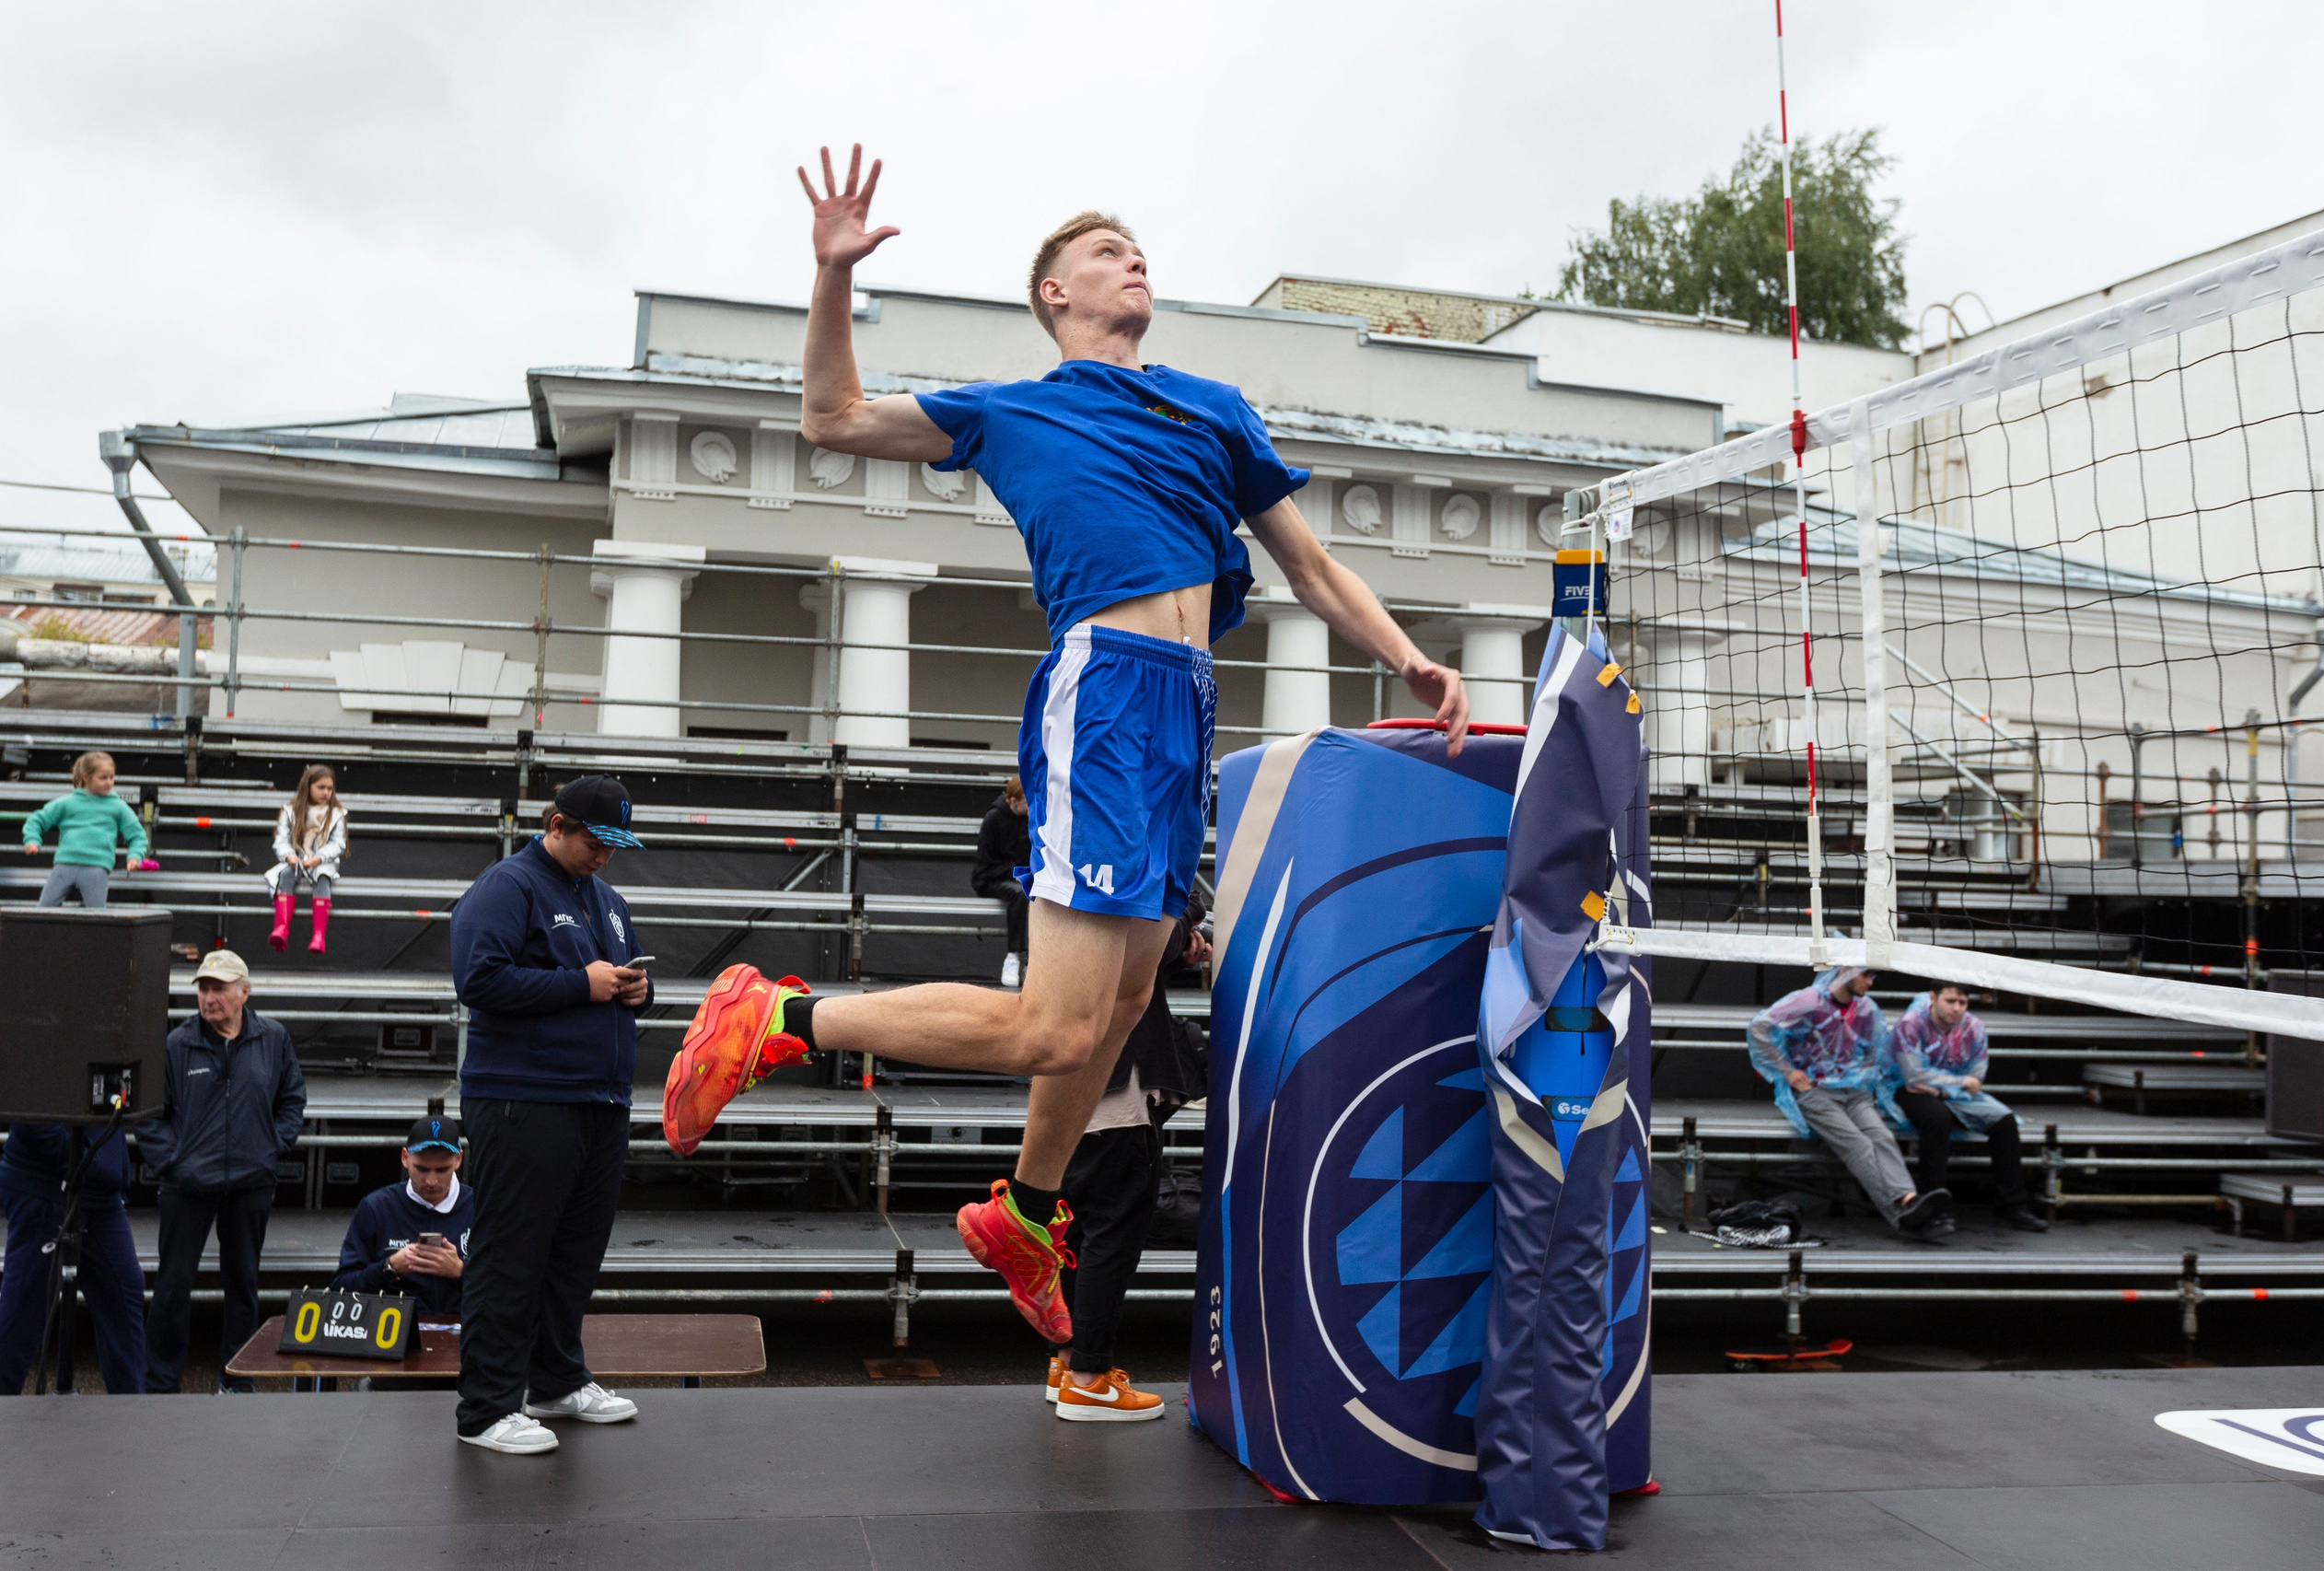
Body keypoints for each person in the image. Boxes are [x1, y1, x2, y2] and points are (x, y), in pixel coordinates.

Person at [666, 145, 1470, 1347]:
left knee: (1129, 1000)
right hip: (1106, 693)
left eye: (1137, 248)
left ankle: (1031, 1212)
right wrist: (831, 277)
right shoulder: (1018, 412)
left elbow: (1309, 568)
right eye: (1104, 251)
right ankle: (780, 1013)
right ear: (1056, 295)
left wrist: (1404, 655)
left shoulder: (1214, 409)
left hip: (1188, 710)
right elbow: (829, 417)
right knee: (1056, 1027)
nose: (1131, 258)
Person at [447, 775, 651, 1455]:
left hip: (598, 1098)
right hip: (524, 1096)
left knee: (573, 1253)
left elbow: (614, 982)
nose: (604, 857)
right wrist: (582, 984)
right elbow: (478, 980)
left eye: (615, 846)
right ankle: (485, 1408)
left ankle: (555, 1377)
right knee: (511, 1253)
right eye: (596, 843)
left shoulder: (608, 899)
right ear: (557, 824)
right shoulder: (508, 886)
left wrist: (636, 990)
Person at [1046, 899, 1209, 1423]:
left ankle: (1071, 1364)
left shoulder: (1060, 882)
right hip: (1113, 1085)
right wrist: (1188, 917)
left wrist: (1180, 943)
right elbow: (1145, 938)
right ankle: (1089, 1380)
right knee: (1110, 1236)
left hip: (1070, 1085)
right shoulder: (1120, 878)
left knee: (1078, 1233)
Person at [142, 948, 307, 1392]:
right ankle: (160, 1385)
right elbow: (148, 1115)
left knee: (243, 1287)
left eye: (219, 989)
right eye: (204, 989)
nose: (209, 998)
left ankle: (236, 1381)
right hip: (188, 1185)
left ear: (244, 992)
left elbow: (292, 1098)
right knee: (173, 1287)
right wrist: (173, 1162)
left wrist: (272, 1148)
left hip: (250, 1183)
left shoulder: (272, 1038)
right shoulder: (177, 1043)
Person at [1748, 966, 1952, 1239]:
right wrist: (1787, 1070)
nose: (1870, 982)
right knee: (1859, 1145)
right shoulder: (1809, 1001)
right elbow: (1760, 1027)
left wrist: (1860, 1073)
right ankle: (1904, 1212)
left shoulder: (1866, 1009)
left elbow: (1876, 1046)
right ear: (1845, 971)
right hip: (1816, 1090)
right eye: (1866, 975)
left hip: (1854, 1091)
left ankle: (1910, 1201)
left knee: (1882, 1137)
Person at [1883, 983, 2049, 1233]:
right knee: (1938, 1118)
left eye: (1962, 1003)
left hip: (1950, 1091)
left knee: (2004, 1121)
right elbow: (1914, 1076)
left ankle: (2012, 1204)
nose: (1957, 1008)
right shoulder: (1911, 1023)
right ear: (1932, 998)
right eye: (1950, 1001)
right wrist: (1956, 1083)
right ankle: (1931, 1205)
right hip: (1904, 1087)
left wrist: (1943, 1088)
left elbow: (1976, 1076)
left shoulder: (1974, 1027)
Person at [0, 1120, 144, 1394]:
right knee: (23, 1312)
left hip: (102, 1196)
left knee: (124, 1294)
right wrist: (80, 1159)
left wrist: (102, 1167)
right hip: (44, 1191)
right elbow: (30, 1117)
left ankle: (131, 1415)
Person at [331, 1111, 474, 1320]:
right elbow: (341, 1287)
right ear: (405, 1158)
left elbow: (507, 1289)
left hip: (465, 1336)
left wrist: (461, 1272)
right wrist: (389, 1268)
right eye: (422, 1169)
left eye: (442, 1170)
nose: (431, 1181)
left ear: (458, 1159)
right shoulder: (376, 1208)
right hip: (394, 1335)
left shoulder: (481, 1208)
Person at [20, 751, 151, 907]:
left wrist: (135, 856)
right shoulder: (68, 802)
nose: (109, 782)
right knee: (44, 911)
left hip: (96, 868)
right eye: (103, 778)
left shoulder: (118, 807)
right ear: (86, 777)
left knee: (96, 918)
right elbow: (36, 820)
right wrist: (32, 840)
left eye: (112, 777)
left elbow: (137, 835)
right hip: (64, 865)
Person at [266, 764, 347, 954]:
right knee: (285, 876)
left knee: (323, 880)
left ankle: (319, 936)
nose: (326, 792)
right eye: (321, 787)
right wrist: (289, 856)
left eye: (329, 788)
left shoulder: (337, 814)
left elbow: (338, 844)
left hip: (322, 862)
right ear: (308, 786)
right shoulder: (290, 810)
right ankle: (281, 929)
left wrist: (318, 858)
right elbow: (281, 839)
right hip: (297, 858)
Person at [973, 775, 1031, 989]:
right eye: (1026, 801)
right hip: (989, 879)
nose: (1030, 805)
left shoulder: (1028, 819)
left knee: (1036, 894)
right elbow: (984, 866)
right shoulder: (993, 819)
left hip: (1016, 878)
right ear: (1014, 800)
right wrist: (1013, 872)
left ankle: (1030, 960)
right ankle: (1013, 956)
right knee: (1019, 893)